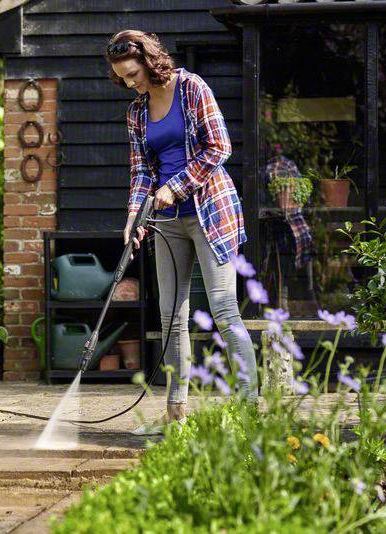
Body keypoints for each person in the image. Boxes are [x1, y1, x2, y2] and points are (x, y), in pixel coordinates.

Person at [105, 30, 258, 434]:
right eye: (122, 77)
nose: (129, 83)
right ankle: (176, 414)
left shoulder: (192, 88)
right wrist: (133, 217)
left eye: (133, 73)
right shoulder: (137, 112)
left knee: (225, 312)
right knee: (172, 317)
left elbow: (219, 147)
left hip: (210, 211)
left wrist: (175, 186)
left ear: (149, 61)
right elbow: (141, 171)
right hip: (167, 221)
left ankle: (249, 411)